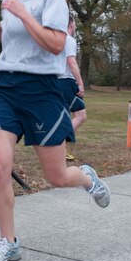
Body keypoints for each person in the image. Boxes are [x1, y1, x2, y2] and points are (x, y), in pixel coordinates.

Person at [0, 0, 109, 261]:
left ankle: (86, 178)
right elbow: (9, 37)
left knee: (57, 175)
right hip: (5, 87)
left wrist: (23, 15)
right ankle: (9, 242)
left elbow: (56, 43)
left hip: (42, 90)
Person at [58, 16, 87, 160]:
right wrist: (80, 83)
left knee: (63, 117)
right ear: (70, 24)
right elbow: (71, 62)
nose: (75, 27)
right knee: (81, 115)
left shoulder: (56, 39)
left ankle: (60, 149)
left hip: (55, 81)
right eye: (75, 24)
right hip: (66, 81)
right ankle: (59, 144)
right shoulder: (69, 40)